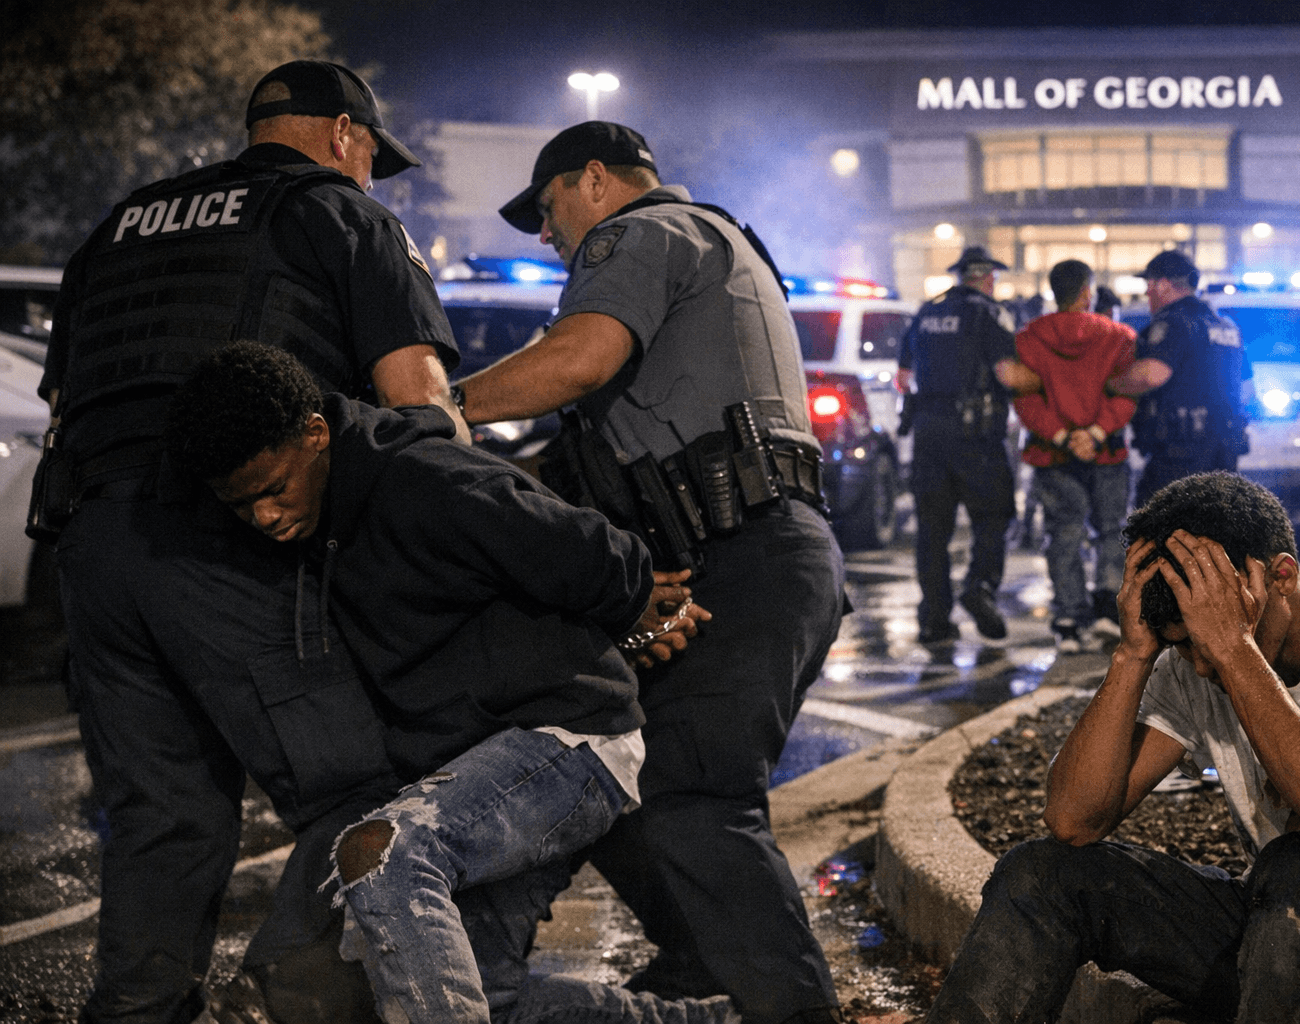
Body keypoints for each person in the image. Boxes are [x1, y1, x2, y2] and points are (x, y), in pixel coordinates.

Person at [35, 60, 469, 1023]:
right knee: (360, 792)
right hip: (230, 531)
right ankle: (281, 1001)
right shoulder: (339, 214)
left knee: (166, 819)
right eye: (369, 158)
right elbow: (420, 408)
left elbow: (66, 401)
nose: (367, 173)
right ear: (347, 135)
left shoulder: (119, 226)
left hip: (94, 546)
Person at [164, 341, 733, 1024]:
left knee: (382, 853)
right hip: (480, 769)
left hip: (566, 742)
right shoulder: (323, 525)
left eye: (274, 489)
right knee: (479, 994)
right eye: (242, 506)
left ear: (316, 434)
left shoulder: (421, 480)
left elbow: (592, 552)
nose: (265, 517)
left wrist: (632, 611)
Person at [454, 121, 847, 1024]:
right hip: (725, 558)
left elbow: (576, 360)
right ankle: (700, 968)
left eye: (549, 208)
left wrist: (434, 411)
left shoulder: (643, 233)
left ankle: (788, 1009)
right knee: (610, 783)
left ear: (595, 180)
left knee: (693, 797)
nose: (549, 235)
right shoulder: (698, 258)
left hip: (742, 551)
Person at [928, 471, 1300, 1024]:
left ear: (1281, 575)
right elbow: (1074, 820)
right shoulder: (1198, 655)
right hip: (1290, 930)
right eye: (1182, 644)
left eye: (1206, 639)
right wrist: (1134, 654)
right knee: (1042, 873)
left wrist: (1234, 649)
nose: (1199, 663)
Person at [997, 259, 1136, 654]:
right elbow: (1125, 395)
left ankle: (1068, 620)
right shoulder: (1119, 337)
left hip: (1050, 454)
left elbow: (1025, 398)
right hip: (1106, 451)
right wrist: (1093, 432)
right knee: (1111, 531)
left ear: (1053, 293)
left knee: (1064, 533)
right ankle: (1108, 611)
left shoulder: (1029, 339)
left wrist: (1061, 435)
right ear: (1087, 293)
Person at [897, 246, 1018, 643]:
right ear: (986, 277)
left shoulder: (925, 313)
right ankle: (979, 586)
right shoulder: (988, 313)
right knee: (993, 516)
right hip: (976, 436)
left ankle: (934, 618)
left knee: (932, 530)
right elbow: (1007, 373)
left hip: (928, 434)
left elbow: (903, 377)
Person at [1108, 250, 1249, 508]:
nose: (1147, 293)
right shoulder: (1226, 326)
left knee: (1158, 528)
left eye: (1148, 285)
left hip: (1180, 452)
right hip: (1224, 451)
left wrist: (1110, 385)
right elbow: (1247, 388)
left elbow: (1151, 374)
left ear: (1162, 285)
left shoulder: (1174, 322)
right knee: (1212, 528)